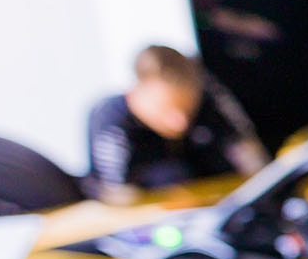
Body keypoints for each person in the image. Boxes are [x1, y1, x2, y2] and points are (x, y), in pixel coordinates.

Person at [86, 44, 267, 197]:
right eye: (167, 110)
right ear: (138, 93)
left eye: (187, 108)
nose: (181, 123)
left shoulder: (210, 100)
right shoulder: (112, 121)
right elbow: (116, 197)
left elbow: (254, 161)